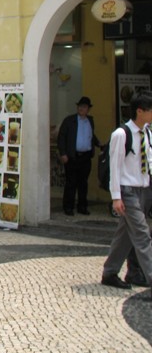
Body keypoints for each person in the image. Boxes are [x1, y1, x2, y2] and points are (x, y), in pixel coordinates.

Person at [101, 92, 152, 290]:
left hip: (144, 189)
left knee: (125, 236)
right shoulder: (121, 134)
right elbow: (115, 167)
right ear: (140, 111)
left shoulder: (147, 132)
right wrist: (116, 197)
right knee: (142, 234)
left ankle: (110, 272)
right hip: (128, 191)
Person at [57, 96, 101, 216]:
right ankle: (68, 207)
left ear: (88, 109)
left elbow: (91, 135)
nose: (82, 109)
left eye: (84, 107)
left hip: (85, 157)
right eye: (80, 106)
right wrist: (63, 153)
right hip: (72, 156)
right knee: (71, 183)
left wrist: (98, 144)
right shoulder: (69, 120)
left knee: (83, 183)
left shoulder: (90, 121)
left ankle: (82, 206)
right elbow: (61, 137)